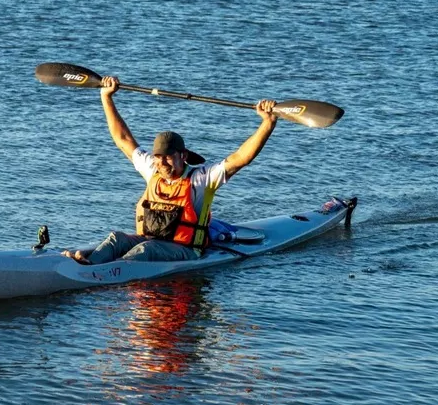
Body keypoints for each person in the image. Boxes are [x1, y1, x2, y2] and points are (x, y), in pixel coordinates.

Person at [62, 76, 279, 264]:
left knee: (147, 249)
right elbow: (123, 139)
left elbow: (240, 158)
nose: (162, 163)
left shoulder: (201, 180)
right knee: (117, 239)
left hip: (186, 251)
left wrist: (267, 124)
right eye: (158, 157)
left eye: (168, 157)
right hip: (150, 243)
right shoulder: (152, 169)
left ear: (183, 156)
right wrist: (106, 97)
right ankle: (87, 264)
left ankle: (103, 272)